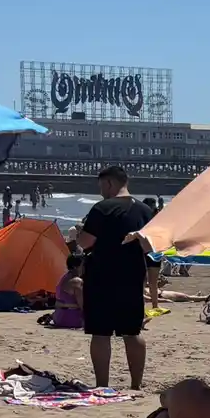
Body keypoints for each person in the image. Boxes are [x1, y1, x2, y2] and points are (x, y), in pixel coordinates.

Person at [76, 166, 151, 389]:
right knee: (132, 332)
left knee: (101, 333)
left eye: (101, 186)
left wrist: (79, 232)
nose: (100, 191)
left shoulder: (103, 208)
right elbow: (151, 246)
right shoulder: (145, 210)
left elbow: (85, 242)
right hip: (133, 275)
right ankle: (136, 384)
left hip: (102, 275)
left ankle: (102, 384)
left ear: (109, 183)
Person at [48, 253, 85, 329]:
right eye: (83, 265)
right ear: (75, 266)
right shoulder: (77, 281)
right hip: (71, 319)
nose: (84, 267)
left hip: (58, 318)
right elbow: (83, 306)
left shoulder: (64, 277)